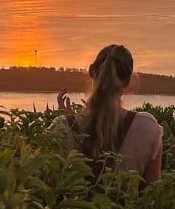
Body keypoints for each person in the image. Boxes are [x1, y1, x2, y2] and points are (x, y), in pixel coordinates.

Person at [55, 44, 163, 183]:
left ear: (91, 71)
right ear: (128, 82)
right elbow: (152, 193)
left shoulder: (60, 127)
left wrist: (69, 122)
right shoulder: (148, 128)